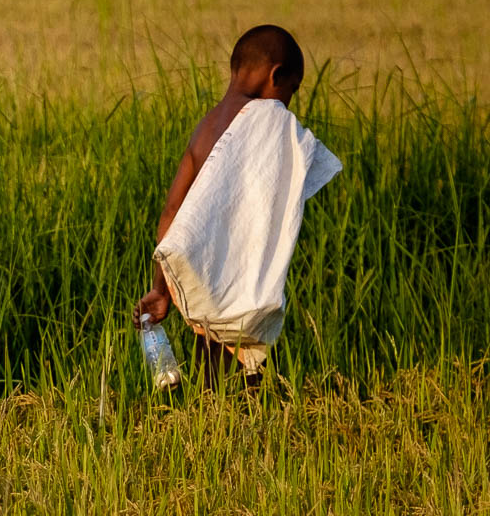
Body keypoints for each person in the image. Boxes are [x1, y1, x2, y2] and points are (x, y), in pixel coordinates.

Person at [133, 25, 342, 389]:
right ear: (276, 75)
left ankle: (209, 412)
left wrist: (161, 289)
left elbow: (173, 213)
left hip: (202, 269)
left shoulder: (205, 127)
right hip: (241, 273)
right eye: (292, 89)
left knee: (210, 356)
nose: (289, 102)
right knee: (248, 359)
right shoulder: (271, 121)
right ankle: (248, 409)